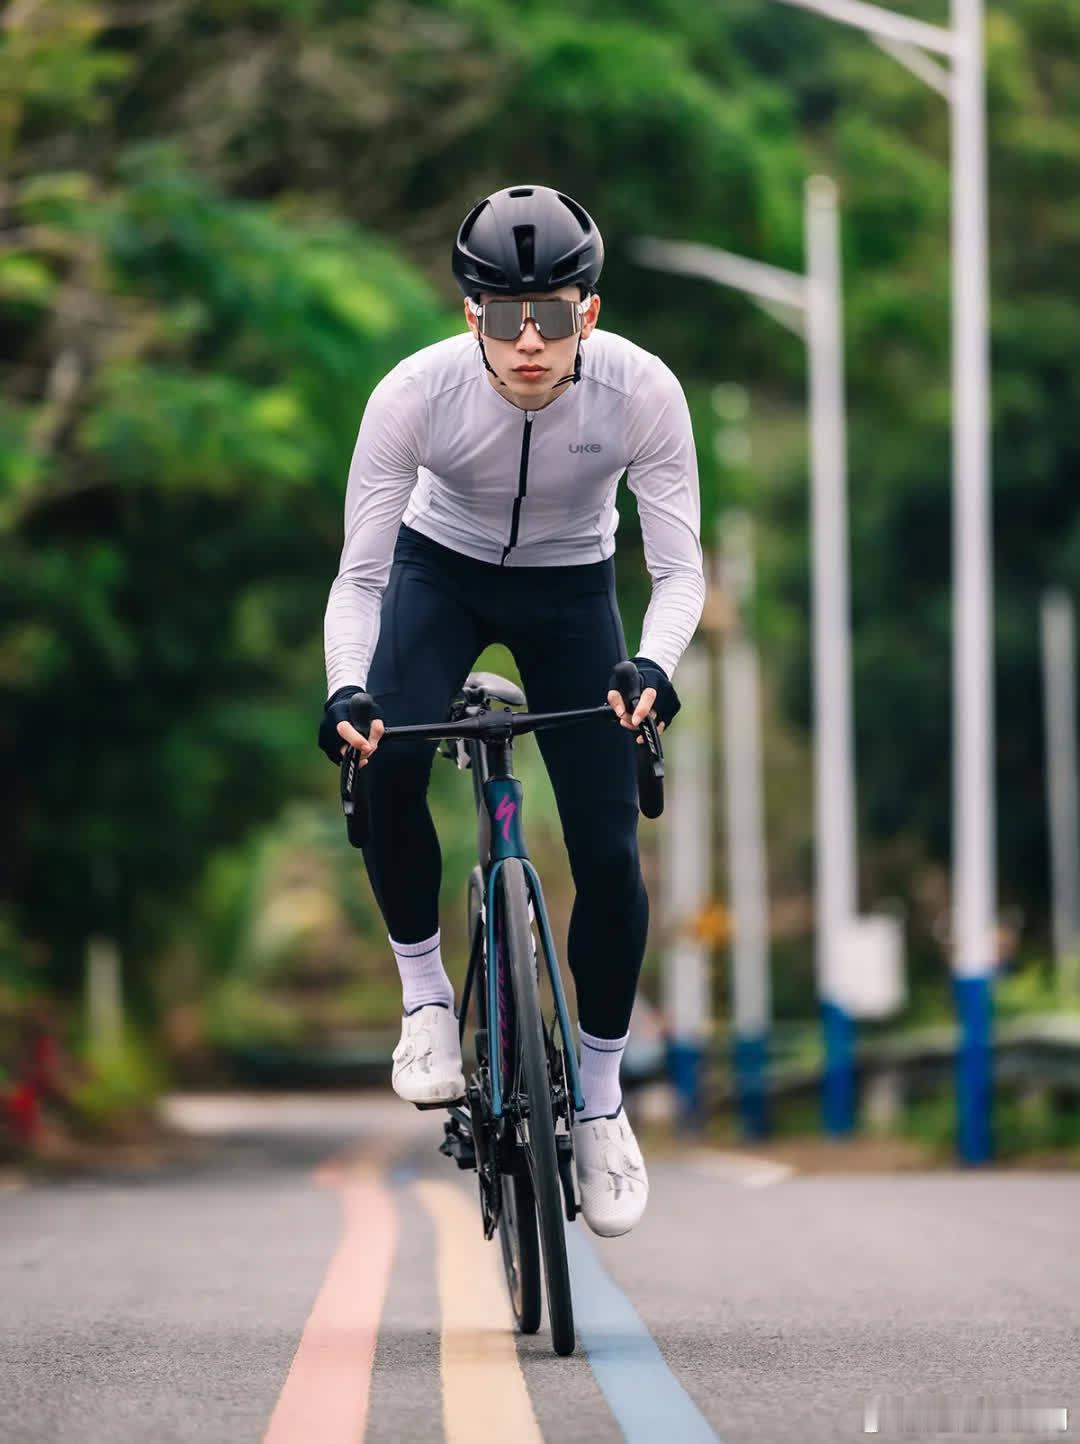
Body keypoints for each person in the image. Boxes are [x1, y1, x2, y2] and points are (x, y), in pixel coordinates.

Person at [319, 184, 704, 1237]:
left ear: (590, 309)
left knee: (610, 850)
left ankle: (601, 1102)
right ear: (468, 315)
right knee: (386, 761)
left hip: (576, 589)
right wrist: (347, 688)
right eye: (502, 315)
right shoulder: (413, 395)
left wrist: (653, 668)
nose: (527, 340)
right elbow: (358, 579)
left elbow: (677, 574)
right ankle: (427, 1003)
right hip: (438, 576)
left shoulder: (643, 392)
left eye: (552, 312)